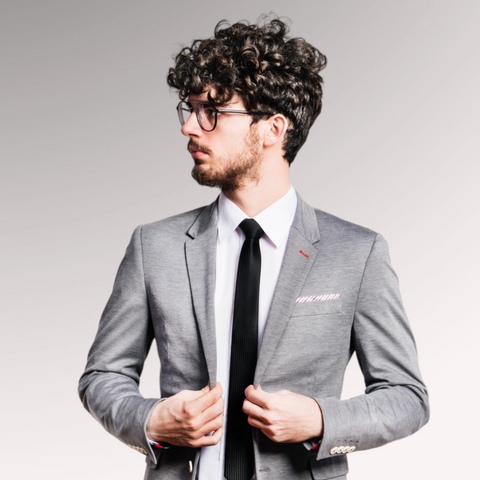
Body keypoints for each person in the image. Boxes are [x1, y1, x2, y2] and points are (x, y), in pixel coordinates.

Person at [79, 16, 429, 480]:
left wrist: (322, 421)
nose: (189, 127)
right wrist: (151, 420)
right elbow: (101, 377)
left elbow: (407, 396)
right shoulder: (154, 246)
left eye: (212, 112)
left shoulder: (357, 254)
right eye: (189, 109)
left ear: (273, 129)